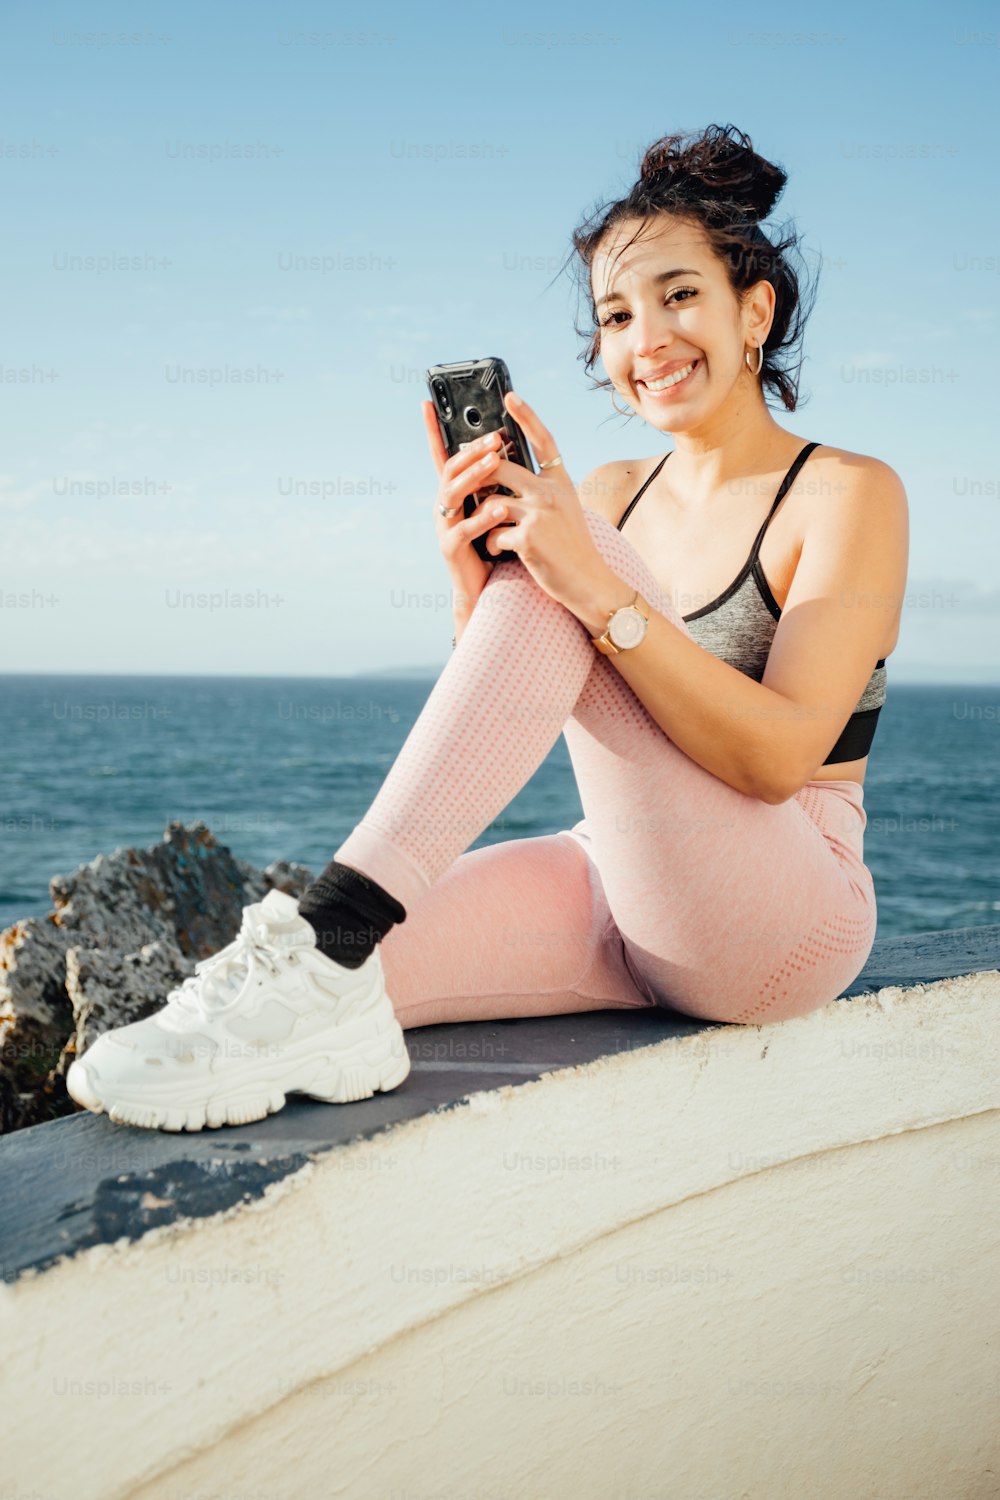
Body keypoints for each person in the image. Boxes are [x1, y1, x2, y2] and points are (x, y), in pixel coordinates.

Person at [66, 123, 909, 1133]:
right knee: (345, 979)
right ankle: (303, 975)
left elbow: (780, 761)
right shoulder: (603, 492)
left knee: (573, 552)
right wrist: (475, 585)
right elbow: (520, 695)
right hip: (625, 878)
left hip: (787, 908)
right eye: (614, 314)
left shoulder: (847, 493)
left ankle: (330, 925)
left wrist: (591, 584)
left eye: (679, 295)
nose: (646, 341)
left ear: (754, 308)